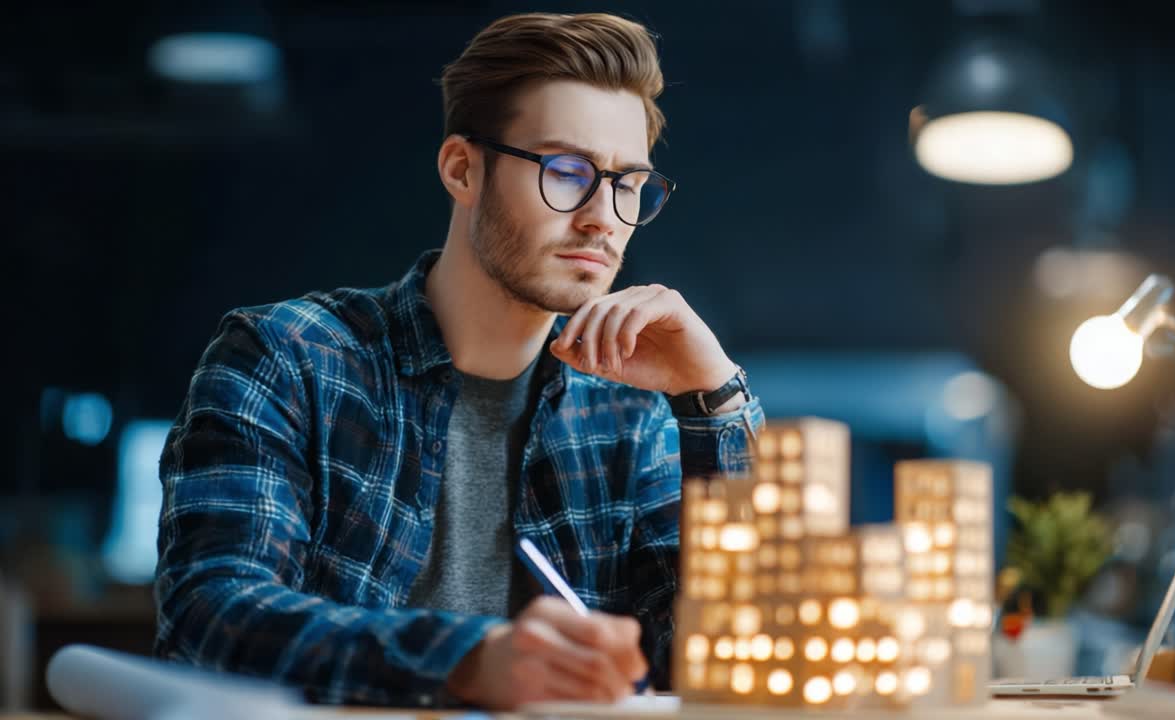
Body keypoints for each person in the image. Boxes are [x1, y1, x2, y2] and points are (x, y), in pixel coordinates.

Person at [153, 11, 764, 711]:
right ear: (461, 169)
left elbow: (724, 657)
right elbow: (212, 616)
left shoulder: (627, 416)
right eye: (568, 172)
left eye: (628, 184)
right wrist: (466, 662)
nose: (603, 216)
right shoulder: (289, 358)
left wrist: (713, 400)